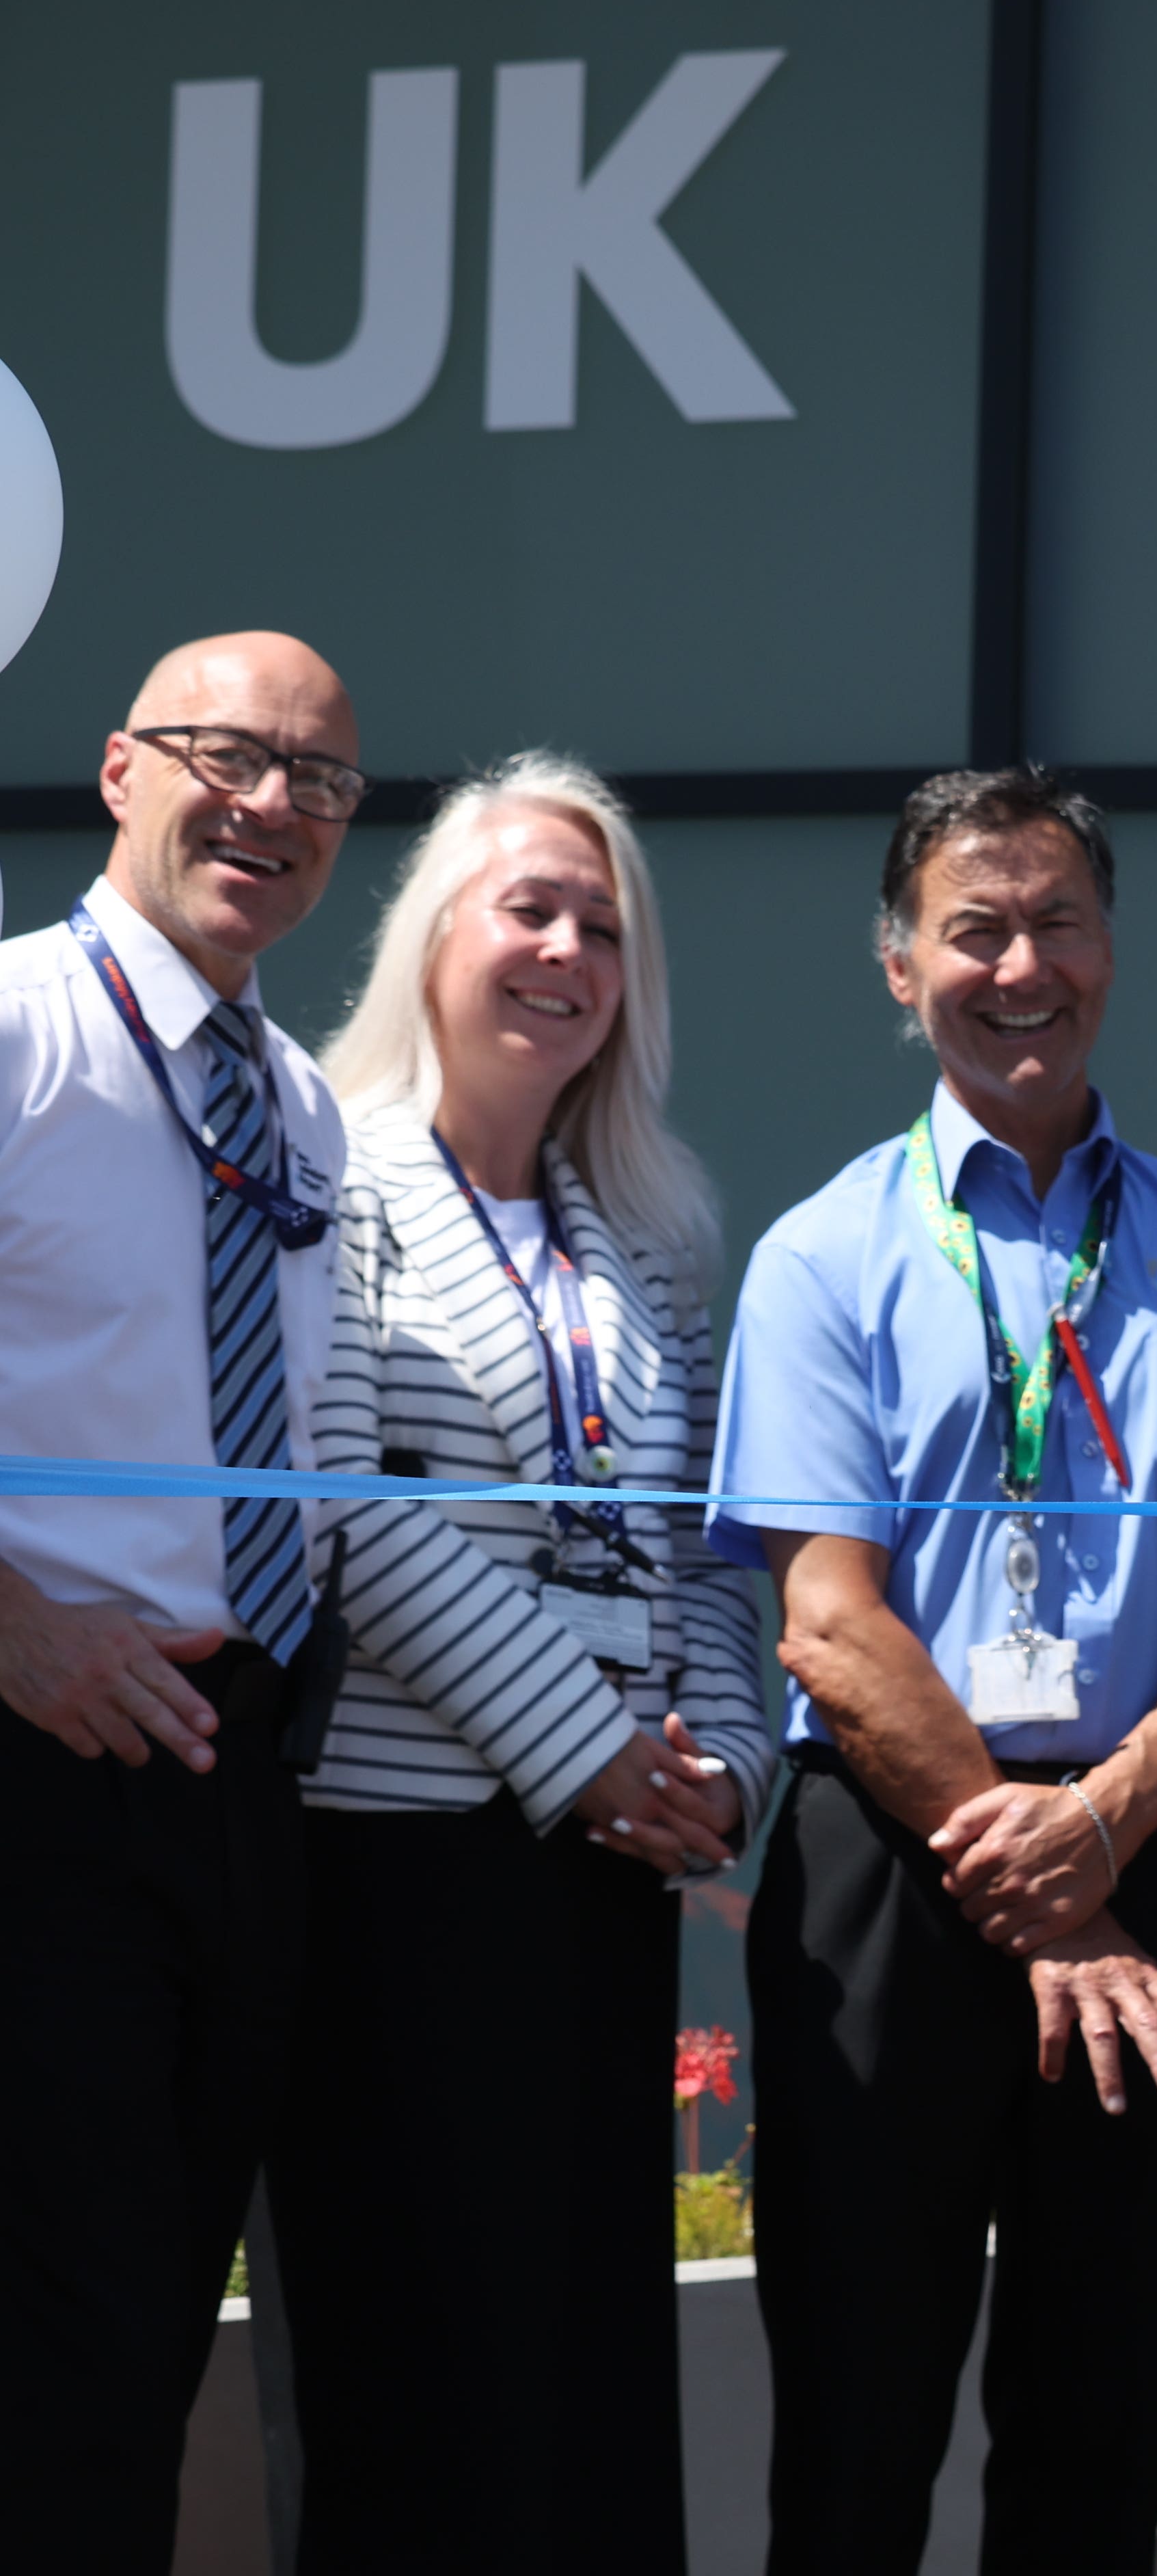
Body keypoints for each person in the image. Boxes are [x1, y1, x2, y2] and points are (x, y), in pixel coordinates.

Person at [710, 767, 1157, 2574]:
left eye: (1058, 919)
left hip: (1155, 1846)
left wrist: (1113, 1825)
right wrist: (1045, 1887)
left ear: (1110, 948)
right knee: (854, 2437)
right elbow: (828, 1623)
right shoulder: (822, 1256)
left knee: (1098, 2439)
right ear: (899, 964)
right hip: (887, 1877)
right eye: (975, 928)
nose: (1023, 966)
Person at [265, 756, 776, 2573]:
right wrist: (583, 1744)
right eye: (530, 909)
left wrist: (719, 1763)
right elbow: (340, 1502)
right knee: (413, 2377)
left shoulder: (655, 1232)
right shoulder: (331, 1166)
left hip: (606, 1872)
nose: (567, 950)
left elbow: (701, 1541)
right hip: (398, 1863)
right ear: (434, 939)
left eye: (604, 927)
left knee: (582, 2376)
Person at [0, 634, 359, 2569]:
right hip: (40, 1757)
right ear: (123, 767)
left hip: (234, 1781)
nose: (276, 806)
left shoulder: (301, 1105)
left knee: (139, 2347)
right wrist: (10, 1624)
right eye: (234, 756)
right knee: (54, 2351)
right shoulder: (15, 1026)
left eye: (320, 782)